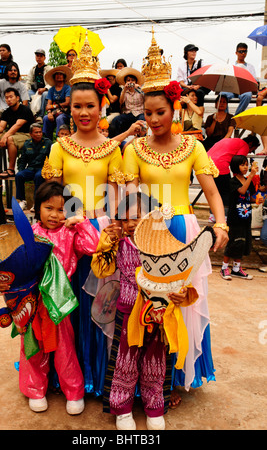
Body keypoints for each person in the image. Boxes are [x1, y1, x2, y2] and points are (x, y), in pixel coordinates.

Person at [123, 32, 229, 396]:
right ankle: (151, 378)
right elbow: (126, 196)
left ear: (174, 109)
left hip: (184, 229)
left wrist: (221, 223)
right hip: (146, 232)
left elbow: (212, 191)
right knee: (148, 302)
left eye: (160, 112)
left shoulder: (192, 145)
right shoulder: (134, 148)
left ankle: (181, 373)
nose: (153, 119)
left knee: (184, 299)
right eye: (148, 113)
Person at [41, 35, 123, 396]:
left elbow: (118, 195)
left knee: (101, 303)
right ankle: (70, 375)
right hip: (68, 230)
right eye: (77, 106)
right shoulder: (60, 147)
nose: (84, 112)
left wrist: (116, 230)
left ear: (101, 107)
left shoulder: (110, 148)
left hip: (102, 230)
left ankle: (99, 374)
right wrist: (65, 223)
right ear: (68, 108)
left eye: (90, 105)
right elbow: (53, 194)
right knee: (68, 301)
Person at [0, 180, 101, 414]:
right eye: (49, 208)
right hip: (30, 301)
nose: (55, 214)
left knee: (65, 348)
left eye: (61, 209)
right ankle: (35, 389)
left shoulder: (70, 233)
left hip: (59, 301)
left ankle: (74, 391)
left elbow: (93, 245)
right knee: (32, 347)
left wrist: (80, 221)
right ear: (37, 208)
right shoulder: (28, 234)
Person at [91, 192, 194, 430]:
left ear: (154, 217)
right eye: (125, 219)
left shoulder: (166, 245)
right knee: (124, 362)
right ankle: (122, 410)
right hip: (128, 313)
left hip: (160, 315)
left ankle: (155, 407)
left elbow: (182, 279)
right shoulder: (119, 244)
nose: (131, 224)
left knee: (155, 362)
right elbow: (101, 270)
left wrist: (182, 295)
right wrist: (106, 243)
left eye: (137, 217)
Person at [220, 156, 263, 280]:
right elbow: (242, 191)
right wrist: (251, 176)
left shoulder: (246, 180)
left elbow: (248, 197)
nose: (246, 167)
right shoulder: (233, 181)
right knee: (233, 242)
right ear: (235, 166)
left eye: (246, 164)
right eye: (242, 165)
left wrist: (257, 200)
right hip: (235, 219)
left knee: (242, 243)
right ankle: (224, 268)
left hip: (246, 218)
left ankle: (236, 269)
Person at [208, 134, 260, 216]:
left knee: (215, 192)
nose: (250, 152)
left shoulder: (234, 141)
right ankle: (224, 216)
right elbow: (238, 162)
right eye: (252, 150)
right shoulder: (245, 146)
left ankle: (212, 215)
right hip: (220, 165)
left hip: (206, 163)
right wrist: (237, 180)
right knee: (226, 192)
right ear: (250, 144)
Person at [0, 87, 34, 178]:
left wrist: (5, 137)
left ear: (17, 98)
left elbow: (17, 125)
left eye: (11, 97)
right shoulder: (7, 112)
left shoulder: (25, 110)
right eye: (7, 97)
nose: (9, 99)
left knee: (10, 139)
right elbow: (1, 127)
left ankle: (11, 169)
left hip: (26, 135)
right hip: (12, 133)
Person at [15, 123, 52, 210]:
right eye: (36, 132)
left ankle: (36, 203)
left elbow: (52, 159)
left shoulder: (48, 143)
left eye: (40, 132)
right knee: (19, 175)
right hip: (31, 168)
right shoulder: (27, 144)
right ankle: (22, 201)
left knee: (38, 176)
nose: (39, 134)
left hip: (42, 168)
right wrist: (21, 170)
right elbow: (22, 159)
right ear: (31, 134)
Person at [0, 62, 29, 127]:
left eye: (15, 70)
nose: (13, 72)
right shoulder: (1, 83)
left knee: (32, 113)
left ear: (18, 72)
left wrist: (22, 111)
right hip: (3, 109)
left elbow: (25, 101)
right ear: (7, 73)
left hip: (17, 109)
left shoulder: (22, 85)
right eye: (10, 70)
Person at [221, 43, 257, 115]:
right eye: (240, 51)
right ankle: (226, 117)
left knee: (248, 95)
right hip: (231, 89)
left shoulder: (250, 67)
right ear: (236, 53)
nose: (243, 53)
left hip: (244, 90)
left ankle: (236, 117)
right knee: (223, 95)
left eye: (245, 51)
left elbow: (254, 81)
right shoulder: (230, 65)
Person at [110, 67, 145, 138]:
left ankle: (141, 139)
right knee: (116, 120)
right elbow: (121, 102)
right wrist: (124, 89)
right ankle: (116, 140)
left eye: (132, 80)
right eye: (128, 80)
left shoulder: (139, 90)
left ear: (136, 82)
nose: (130, 82)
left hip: (140, 113)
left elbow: (146, 98)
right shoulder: (125, 92)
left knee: (142, 121)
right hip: (128, 114)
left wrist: (139, 88)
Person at [42, 66, 72, 141]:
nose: (59, 76)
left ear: (64, 77)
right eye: (57, 74)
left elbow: (67, 103)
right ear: (54, 77)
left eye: (61, 74)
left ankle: (60, 140)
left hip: (65, 112)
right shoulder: (51, 90)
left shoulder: (67, 88)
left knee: (60, 118)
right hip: (54, 112)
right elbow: (47, 106)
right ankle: (47, 141)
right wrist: (49, 113)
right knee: (46, 118)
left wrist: (53, 107)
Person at [25, 49, 52, 120]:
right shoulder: (33, 69)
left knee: (45, 94)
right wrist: (26, 89)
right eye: (37, 56)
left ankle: (40, 116)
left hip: (45, 90)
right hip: (35, 90)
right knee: (26, 95)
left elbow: (52, 82)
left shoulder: (48, 68)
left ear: (44, 58)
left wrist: (45, 88)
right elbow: (29, 80)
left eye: (41, 56)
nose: (39, 58)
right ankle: (30, 115)